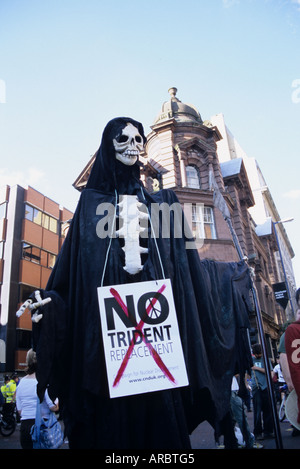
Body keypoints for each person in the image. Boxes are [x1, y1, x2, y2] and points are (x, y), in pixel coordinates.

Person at [16, 349, 59, 449]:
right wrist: (58, 401)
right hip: (41, 427)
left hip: (25, 427)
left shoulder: (21, 382)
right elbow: (53, 407)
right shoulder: (42, 381)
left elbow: (19, 411)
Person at [250, 343, 274, 440]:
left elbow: (271, 373)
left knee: (268, 410)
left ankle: (268, 431)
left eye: (259, 353)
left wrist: (257, 368)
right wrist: (248, 384)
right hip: (256, 388)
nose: (258, 356)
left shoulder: (266, 360)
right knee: (257, 411)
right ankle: (258, 432)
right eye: (257, 354)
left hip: (266, 387)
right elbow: (247, 373)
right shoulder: (251, 360)